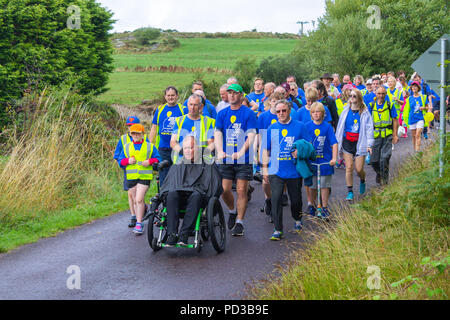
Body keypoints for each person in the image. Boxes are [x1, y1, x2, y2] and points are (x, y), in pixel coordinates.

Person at [161, 136, 223, 246]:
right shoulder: (179, 164)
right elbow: (169, 184)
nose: (188, 151)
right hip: (181, 198)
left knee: (196, 195)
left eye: (191, 148)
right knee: (171, 194)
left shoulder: (207, 163)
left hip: (198, 198)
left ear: (197, 148)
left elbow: (214, 183)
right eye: (185, 149)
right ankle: (172, 234)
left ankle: (184, 234)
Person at [215, 83, 257, 237]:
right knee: (224, 190)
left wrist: (241, 152)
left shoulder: (248, 114)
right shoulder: (222, 113)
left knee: (241, 190)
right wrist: (220, 150)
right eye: (230, 93)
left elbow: (251, 135)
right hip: (226, 158)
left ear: (241, 95)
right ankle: (232, 211)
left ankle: (240, 221)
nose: (232, 95)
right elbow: (218, 133)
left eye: (235, 93)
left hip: (243, 159)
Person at [262, 100, 308, 240]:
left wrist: (299, 152)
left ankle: (297, 220)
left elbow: (308, 146)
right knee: (276, 199)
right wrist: (264, 169)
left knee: (296, 200)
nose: (281, 113)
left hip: (294, 170)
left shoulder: (300, 127)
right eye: (278, 111)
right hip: (276, 170)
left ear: (289, 111)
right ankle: (278, 229)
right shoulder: (272, 128)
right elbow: (265, 149)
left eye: (284, 110)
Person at [119, 124, 161, 235]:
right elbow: (120, 161)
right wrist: (128, 161)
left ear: (142, 134)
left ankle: (139, 223)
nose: (135, 135)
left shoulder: (150, 146)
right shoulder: (127, 146)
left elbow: (158, 158)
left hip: (144, 177)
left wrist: (150, 162)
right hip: (131, 177)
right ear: (130, 134)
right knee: (136, 201)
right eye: (133, 133)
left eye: (138, 133)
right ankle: (142, 211)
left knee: (138, 199)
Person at [335, 89, 374, 201]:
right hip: (347, 142)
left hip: (359, 143)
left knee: (358, 169)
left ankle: (362, 180)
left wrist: (369, 145)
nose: (352, 98)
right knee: (349, 167)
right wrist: (337, 144)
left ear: (359, 98)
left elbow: (369, 129)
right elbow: (340, 128)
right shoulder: (345, 111)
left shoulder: (365, 113)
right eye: (350, 96)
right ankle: (350, 191)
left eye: (354, 96)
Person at [305, 102, 338, 218]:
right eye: (313, 112)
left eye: (318, 112)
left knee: (324, 185)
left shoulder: (327, 127)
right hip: (312, 162)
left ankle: (324, 207)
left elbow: (334, 143)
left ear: (323, 113)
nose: (315, 114)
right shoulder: (307, 126)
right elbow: (304, 143)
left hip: (325, 161)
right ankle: (313, 206)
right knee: (313, 185)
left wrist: (334, 158)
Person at [149, 86, 186, 186]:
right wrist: (149, 145)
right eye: (168, 95)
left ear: (177, 96)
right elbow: (154, 127)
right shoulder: (160, 110)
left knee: (178, 176)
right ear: (165, 96)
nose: (170, 97)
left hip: (178, 149)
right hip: (163, 148)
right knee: (163, 176)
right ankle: (164, 199)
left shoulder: (183, 110)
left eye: (173, 95)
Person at [257, 91, 285, 220]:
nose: (275, 104)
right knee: (266, 180)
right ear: (270, 102)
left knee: (278, 180)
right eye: (273, 101)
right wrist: (257, 152)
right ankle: (268, 199)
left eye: (278, 101)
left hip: (280, 152)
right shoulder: (263, 117)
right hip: (266, 150)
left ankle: (275, 208)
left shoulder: (283, 117)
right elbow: (259, 136)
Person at [114, 116, 145, 228]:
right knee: (131, 193)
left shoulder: (143, 138)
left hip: (142, 170)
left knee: (139, 193)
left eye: (133, 125)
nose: (131, 127)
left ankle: (140, 210)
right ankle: (133, 216)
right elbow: (117, 155)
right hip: (129, 170)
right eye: (129, 126)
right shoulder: (123, 139)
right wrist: (123, 164)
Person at [170, 94, 215, 163]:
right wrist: (183, 152)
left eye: (195, 105)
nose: (192, 108)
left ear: (201, 106)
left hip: (201, 161)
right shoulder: (179, 120)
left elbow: (211, 143)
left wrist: (202, 152)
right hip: (182, 160)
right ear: (187, 105)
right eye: (190, 104)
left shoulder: (208, 122)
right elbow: (173, 142)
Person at [368, 87, 399, 185]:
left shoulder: (390, 105)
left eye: (383, 94)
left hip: (387, 135)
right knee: (374, 161)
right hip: (376, 136)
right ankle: (379, 173)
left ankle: (385, 183)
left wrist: (395, 135)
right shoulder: (371, 106)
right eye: (379, 93)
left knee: (384, 159)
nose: (381, 96)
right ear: (376, 94)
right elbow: (368, 122)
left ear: (386, 94)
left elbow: (395, 120)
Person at [402, 81, 432, 152]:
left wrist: (423, 108)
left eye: (415, 86)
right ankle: (415, 150)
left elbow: (428, 107)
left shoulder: (423, 97)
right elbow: (406, 110)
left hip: (420, 118)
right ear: (411, 88)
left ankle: (418, 151)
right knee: (414, 136)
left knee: (418, 134)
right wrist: (404, 119)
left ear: (418, 88)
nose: (414, 88)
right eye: (413, 86)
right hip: (412, 119)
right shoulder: (409, 99)